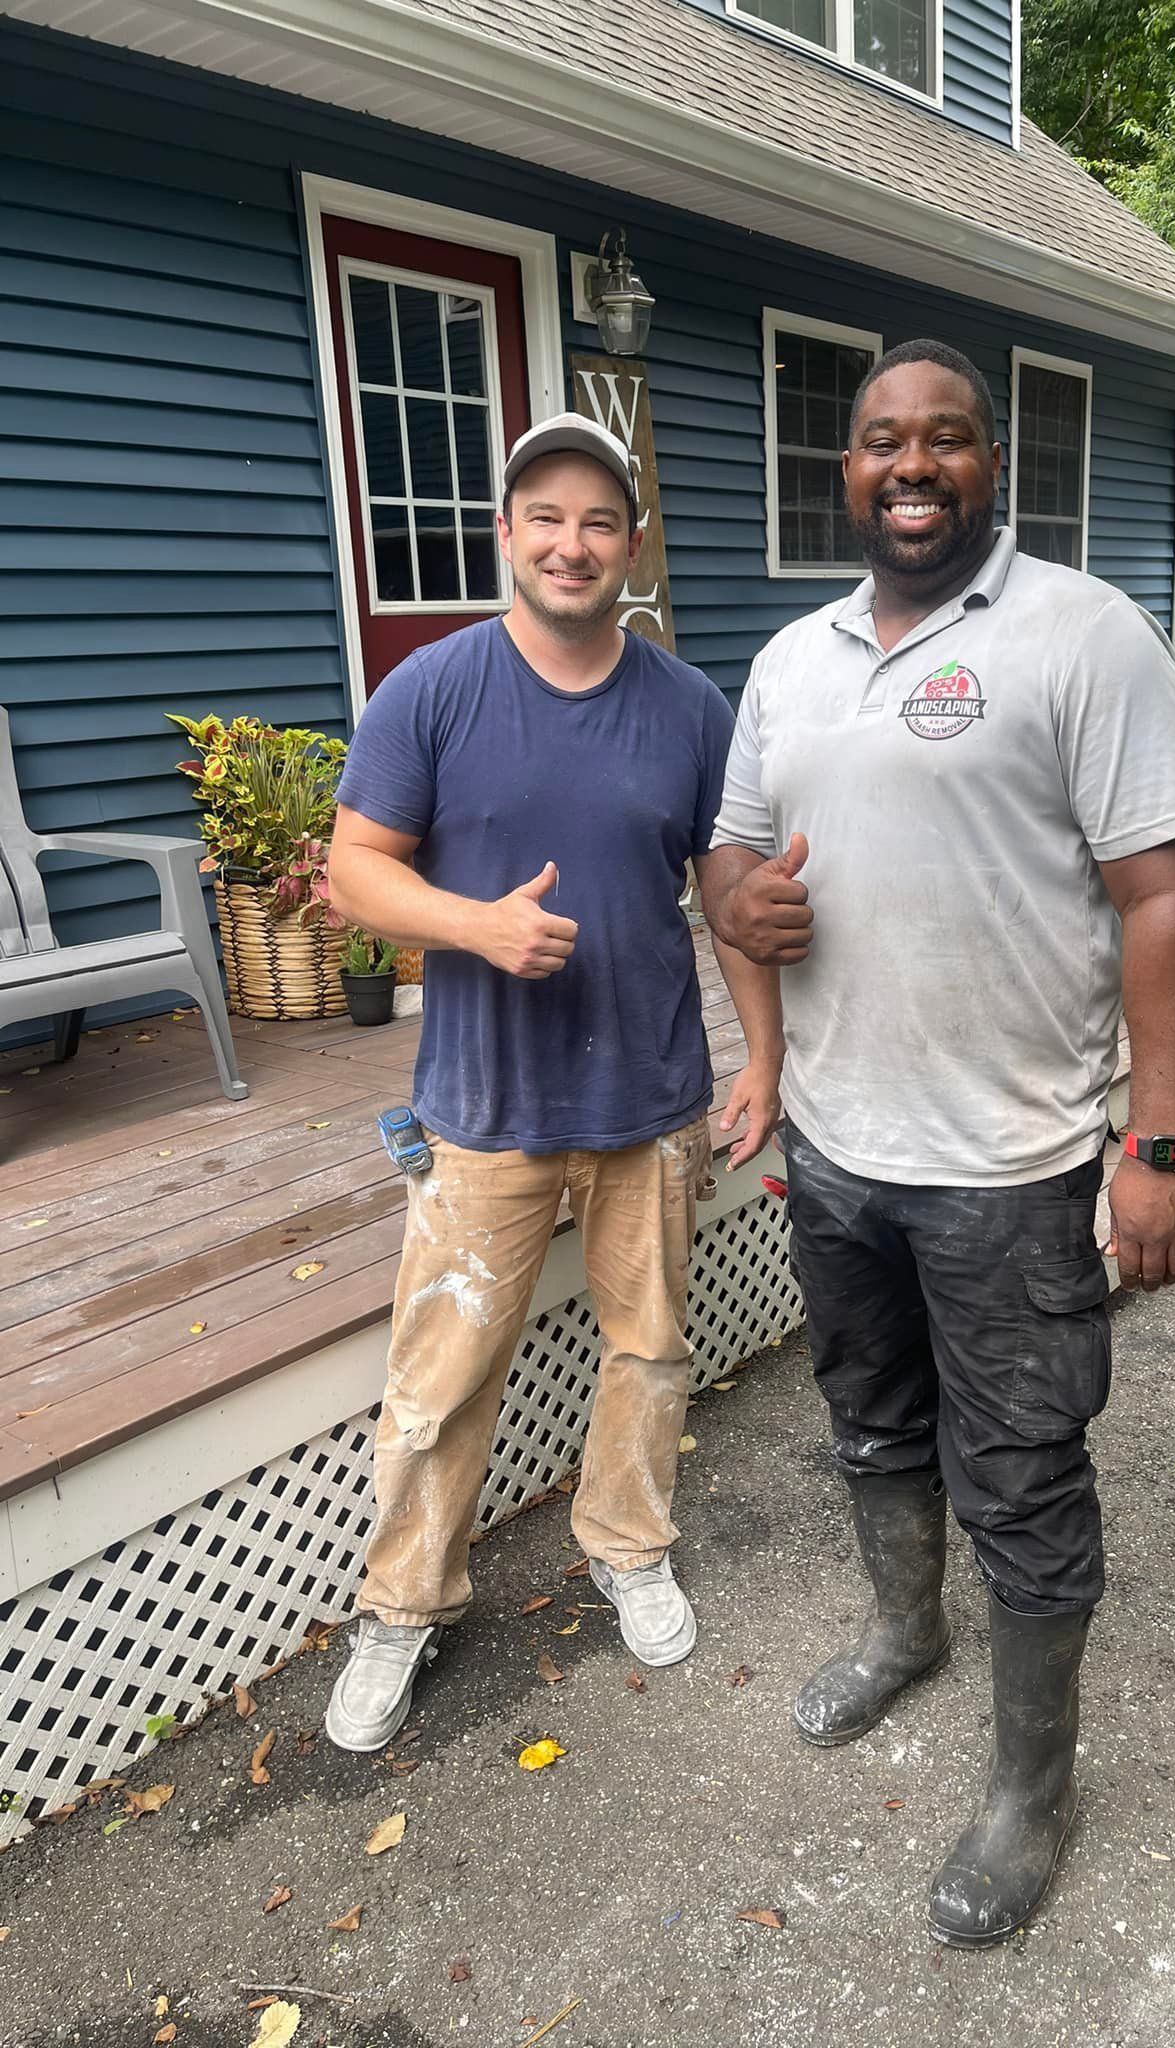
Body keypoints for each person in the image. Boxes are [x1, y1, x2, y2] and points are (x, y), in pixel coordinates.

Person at [702, 340, 1175, 1947]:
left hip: (1013, 1165)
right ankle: (905, 1632)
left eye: (943, 440)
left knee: (1025, 1478)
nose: (909, 465)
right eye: (877, 443)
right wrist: (740, 907)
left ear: (992, 464)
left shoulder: (1082, 632)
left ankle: (1028, 1787)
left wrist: (1163, 1140)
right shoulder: (791, 658)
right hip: (842, 1152)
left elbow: (1167, 895)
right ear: (842, 471)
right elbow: (725, 863)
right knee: (868, 1418)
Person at [322, 414, 781, 1754]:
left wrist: (768, 1052)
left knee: (647, 1350)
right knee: (442, 1379)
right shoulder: (433, 690)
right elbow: (356, 870)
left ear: (629, 546)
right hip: (484, 1108)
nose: (570, 543)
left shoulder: (690, 708)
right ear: (505, 536)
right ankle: (402, 1605)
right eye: (545, 518)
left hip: (652, 1101)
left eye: (597, 521)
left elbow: (729, 894)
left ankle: (629, 1547)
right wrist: (474, 926)